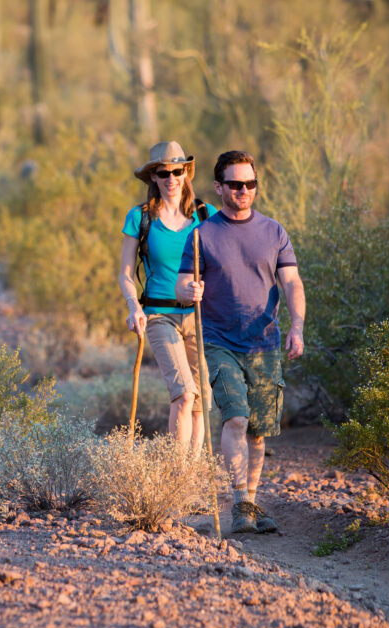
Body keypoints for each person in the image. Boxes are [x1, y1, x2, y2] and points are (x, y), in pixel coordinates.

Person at [175, 150, 305, 533]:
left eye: (250, 183)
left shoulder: (274, 231)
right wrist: (190, 290)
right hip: (218, 342)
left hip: (264, 343)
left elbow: (292, 281)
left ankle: (249, 500)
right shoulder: (201, 236)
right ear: (219, 187)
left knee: (259, 431)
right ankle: (238, 502)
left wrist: (296, 326)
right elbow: (182, 285)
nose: (244, 190)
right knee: (235, 417)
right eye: (235, 184)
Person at [117, 141, 218, 451]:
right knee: (184, 394)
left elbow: (222, 265)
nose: (171, 179)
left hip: (200, 317)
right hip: (160, 316)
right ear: (153, 177)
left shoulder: (207, 215)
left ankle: (191, 478)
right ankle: (177, 476)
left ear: (186, 173)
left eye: (177, 171)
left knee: (200, 401)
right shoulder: (140, 217)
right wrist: (134, 307)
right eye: (163, 173)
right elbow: (124, 273)